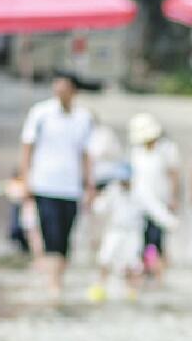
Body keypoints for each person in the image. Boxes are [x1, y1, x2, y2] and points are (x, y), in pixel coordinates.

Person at [20, 70, 95, 298]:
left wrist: (89, 184)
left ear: (74, 91)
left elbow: (85, 152)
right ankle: (53, 283)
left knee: (66, 234)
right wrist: (26, 179)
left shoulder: (83, 118)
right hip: (44, 183)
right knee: (50, 232)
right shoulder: (41, 113)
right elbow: (27, 148)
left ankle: (58, 278)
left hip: (70, 186)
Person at [88, 164, 177, 302]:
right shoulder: (113, 190)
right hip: (115, 230)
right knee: (105, 258)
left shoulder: (141, 192)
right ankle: (100, 287)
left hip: (133, 232)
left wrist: (170, 222)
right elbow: (99, 208)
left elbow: (155, 209)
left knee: (132, 263)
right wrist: (95, 200)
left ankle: (131, 291)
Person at [128, 113, 181, 282]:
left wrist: (173, 198)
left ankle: (159, 273)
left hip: (161, 201)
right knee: (142, 238)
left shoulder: (167, 149)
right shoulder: (136, 152)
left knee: (157, 239)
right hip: (141, 202)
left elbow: (173, 175)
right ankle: (145, 271)